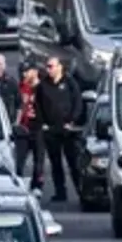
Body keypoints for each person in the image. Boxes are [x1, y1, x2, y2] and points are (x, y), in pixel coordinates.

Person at [34, 56, 85, 202]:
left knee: (74, 163)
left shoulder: (70, 83)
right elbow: (38, 106)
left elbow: (78, 103)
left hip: (69, 130)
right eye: (47, 66)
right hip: (51, 130)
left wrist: (73, 120)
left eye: (51, 66)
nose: (48, 69)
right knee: (56, 164)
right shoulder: (42, 86)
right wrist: (43, 123)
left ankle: (81, 192)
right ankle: (60, 192)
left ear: (59, 67)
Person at [12, 63, 45, 191]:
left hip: (38, 128)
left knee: (39, 162)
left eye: (26, 71)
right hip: (22, 129)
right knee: (18, 162)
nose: (23, 74)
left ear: (35, 72)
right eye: (21, 71)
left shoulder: (43, 87)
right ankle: (18, 186)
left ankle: (37, 186)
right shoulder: (19, 87)